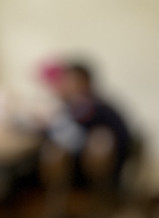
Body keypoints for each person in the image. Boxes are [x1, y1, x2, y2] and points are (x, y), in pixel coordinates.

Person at [41, 59, 133, 191]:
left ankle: (95, 197)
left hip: (105, 173)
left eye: (70, 82)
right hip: (85, 170)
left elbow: (64, 131)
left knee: (97, 141)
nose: (66, 86)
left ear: (85, 82)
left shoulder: (90, 106)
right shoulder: (76, 105)